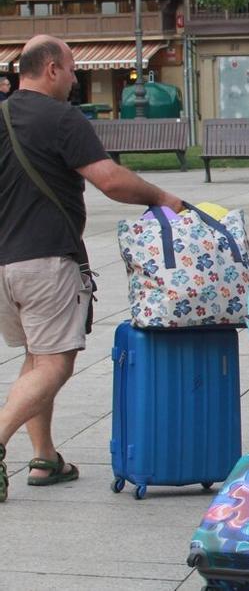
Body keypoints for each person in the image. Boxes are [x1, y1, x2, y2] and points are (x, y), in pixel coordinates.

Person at [0, 35, 183, 503]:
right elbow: (109, 179)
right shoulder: (61, 117)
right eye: (72, 68)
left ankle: (44, 458)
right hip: (45, 260)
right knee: (57, 362)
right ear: (52, 70)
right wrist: (162, 198)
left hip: (4, 265)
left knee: (38, 357)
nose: (76, 77)